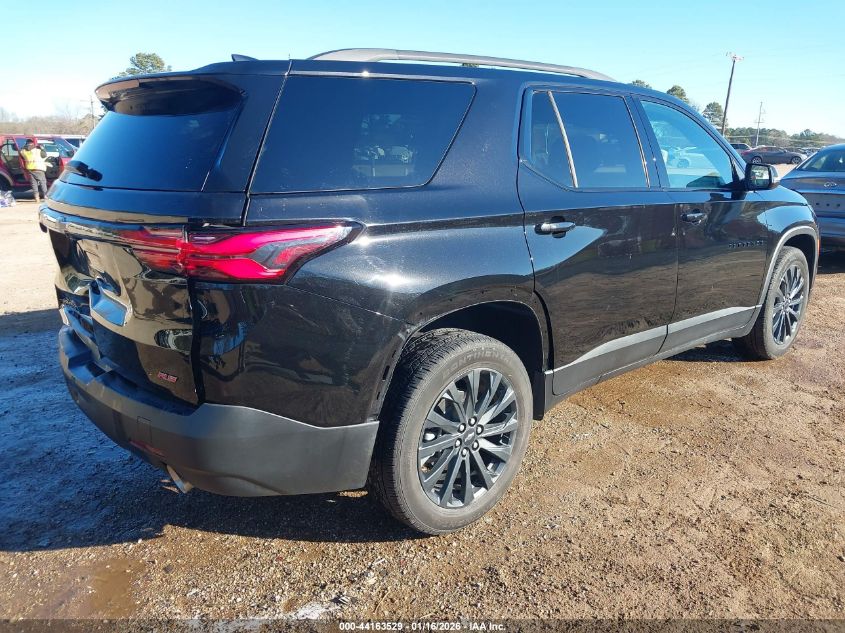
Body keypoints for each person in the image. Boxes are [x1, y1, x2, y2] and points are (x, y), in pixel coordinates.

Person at [19, 139, 49, 203]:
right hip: (39, 169)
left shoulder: (23, 151)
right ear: (33, 144)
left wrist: (24, 147)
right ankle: (46, 198)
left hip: (30, 169)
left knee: (34, 184)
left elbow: (21, 152)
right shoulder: (38, 150)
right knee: (43, 183)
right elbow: (44, 155)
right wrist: (42, 148)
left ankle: (37, 198)